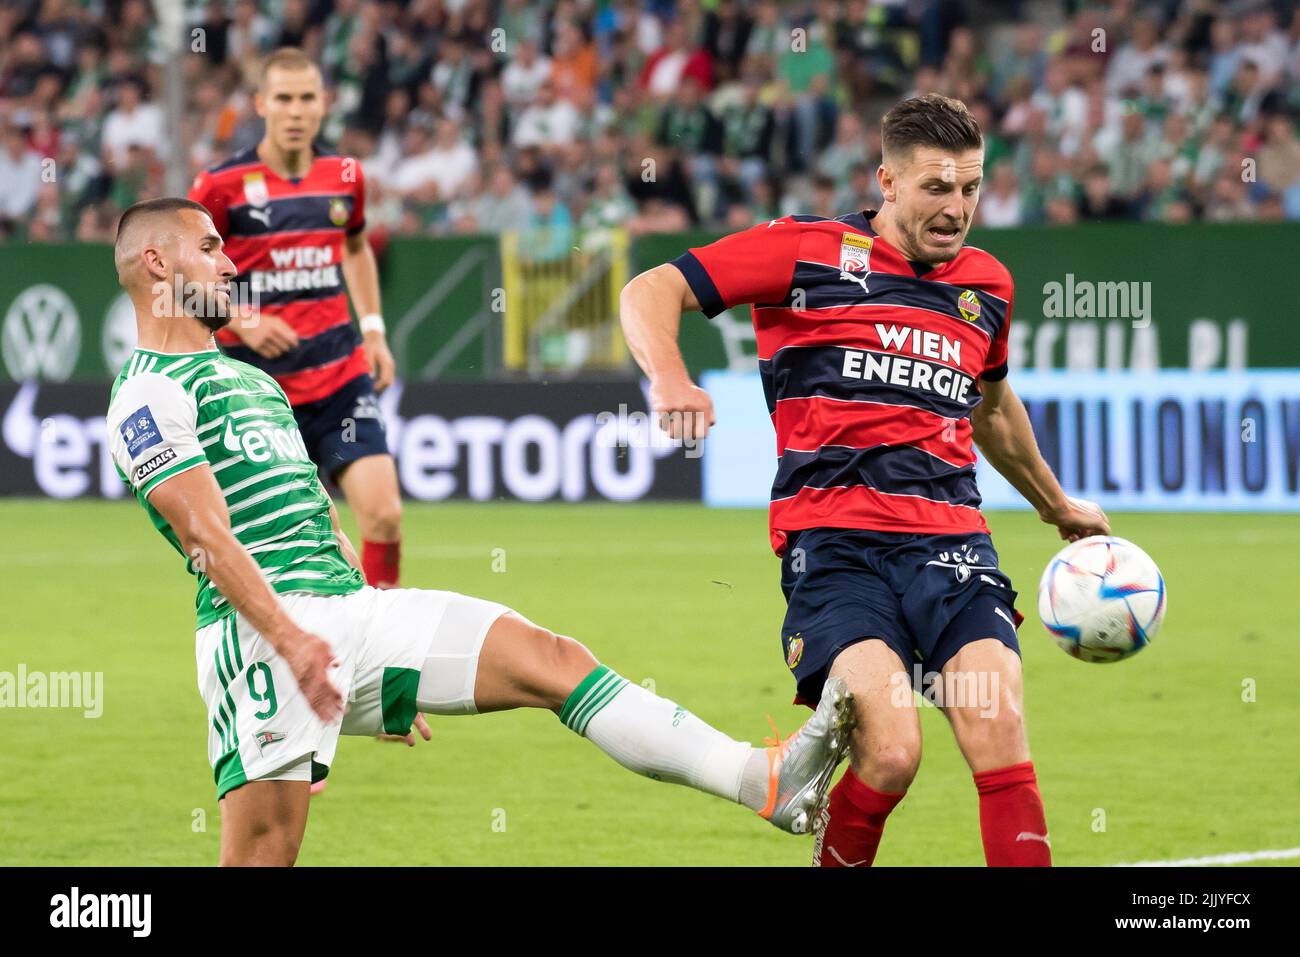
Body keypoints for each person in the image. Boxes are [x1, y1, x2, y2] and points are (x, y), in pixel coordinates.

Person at [104, 197, 855, 866]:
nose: (228, 261)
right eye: (208, 247)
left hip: (349, 613)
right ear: (155, 260)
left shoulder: (255, 380)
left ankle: (760, 780)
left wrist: (370, 657)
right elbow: (206, 535)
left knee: (552, 659)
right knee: (266, 853)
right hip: (260, 640)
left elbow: (315, 511)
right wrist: (297, 641)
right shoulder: (146, 391)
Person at [619, 94, 1111, 867]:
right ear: (887, 180)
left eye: (972, 188)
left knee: (1000, 730)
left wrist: (1055, 503)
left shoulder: (988, 287)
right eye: (936, 188)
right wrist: (671, 379)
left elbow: (991, 406)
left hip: (954, 550)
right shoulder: (807, 251)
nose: (957, 209)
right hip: (836, 548)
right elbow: (651, 289)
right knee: (891, 754)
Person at [188, 48, 403, 596]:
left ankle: (381, 637)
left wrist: (374, 329)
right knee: (299, 539)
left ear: (324, 104)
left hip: (338, 373)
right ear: (261, 103)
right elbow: (185, 274)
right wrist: (242, 319)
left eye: (307, 98)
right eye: (283, 98)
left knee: (383, 517)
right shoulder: (219, 185)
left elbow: (355, 247)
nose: (295, 110)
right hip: (257, 390)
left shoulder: (345, 176)